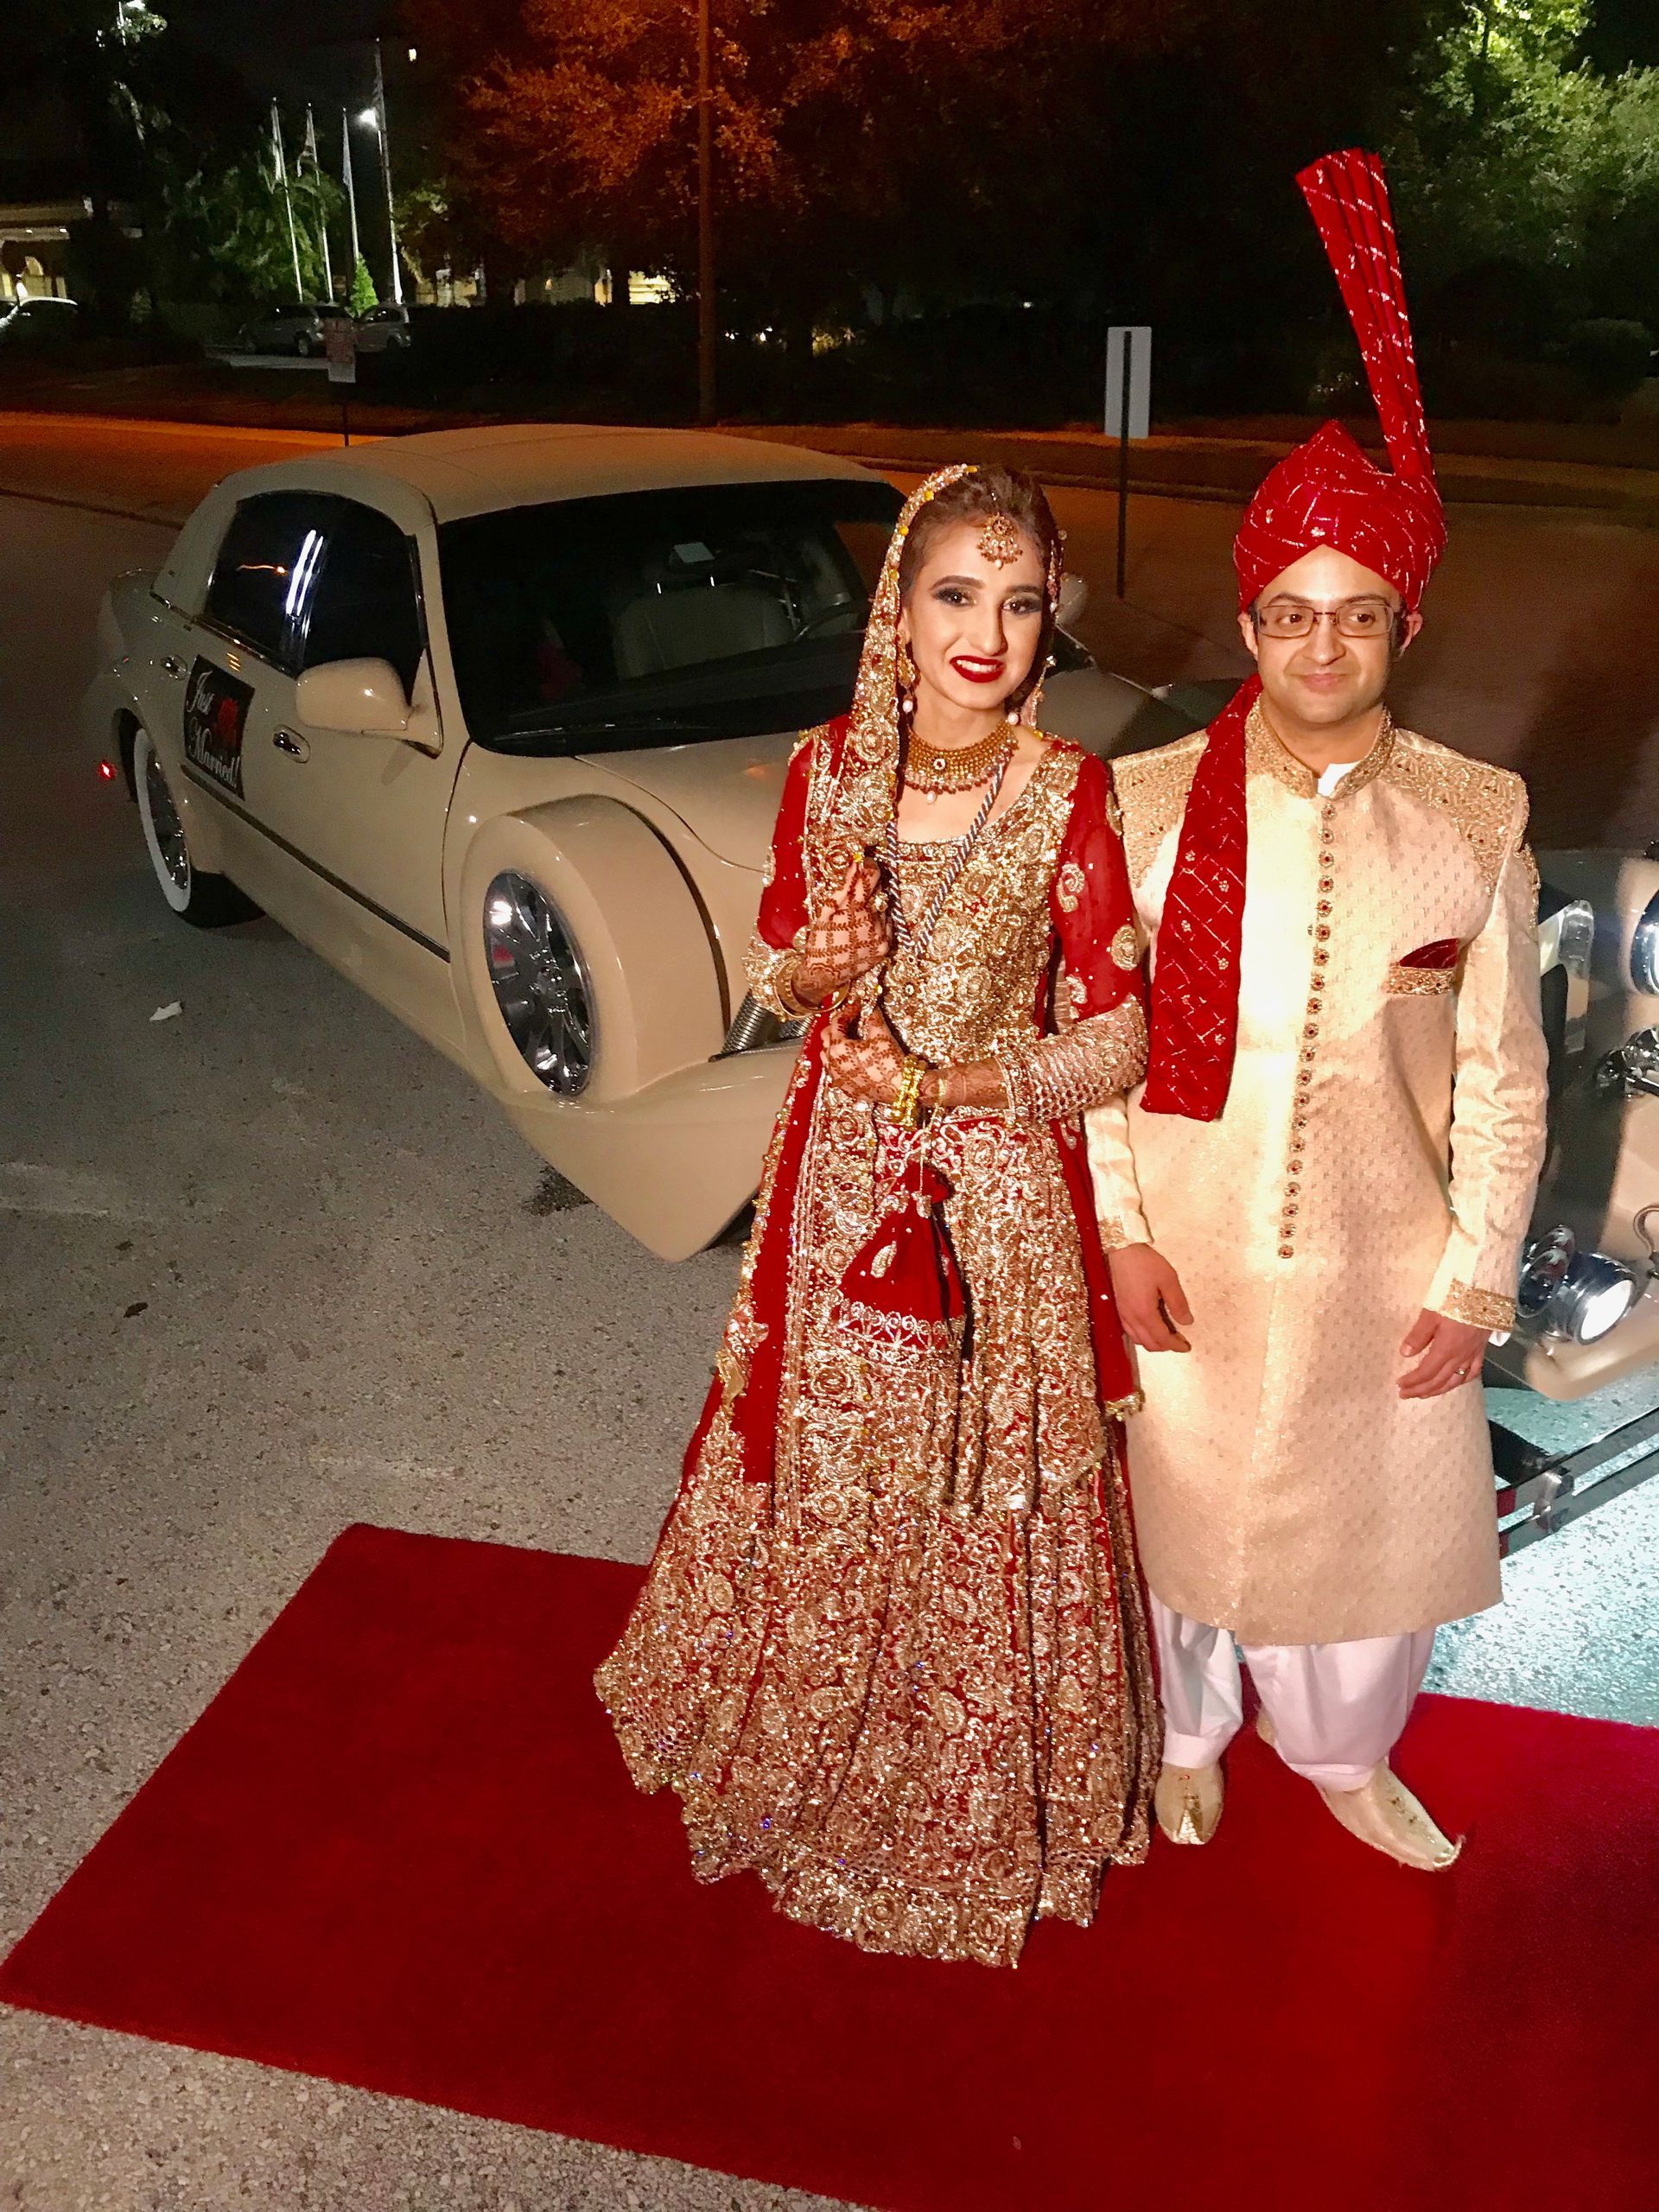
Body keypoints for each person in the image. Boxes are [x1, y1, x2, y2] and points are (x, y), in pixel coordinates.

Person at [597, 463, 1160, 1965]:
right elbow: (780, 967)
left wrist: (967, 1082)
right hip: (842, 1179)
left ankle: (970, 1794)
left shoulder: (1065, 789)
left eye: (1021, 599)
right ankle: (815, 1757)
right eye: (956, 594)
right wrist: (817, 975)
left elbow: (1120, 1035)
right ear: (897, 607)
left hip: (992, 1192)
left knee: (985, 1486)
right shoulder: (824, 773)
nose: (987, 630)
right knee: (837, 1456)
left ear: (1050, 624)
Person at [1087, 149, 1548, 1870]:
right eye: (1294, 614)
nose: (1324, 645)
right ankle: (1192, 1733)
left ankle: (1345, 1754)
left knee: (1373, 1541)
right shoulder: (1140, 810)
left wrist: (1476, 1268)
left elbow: (1505, 1074)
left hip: (1382, 1256)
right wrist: (1121, 1230)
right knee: (1192, 1513)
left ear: (1404, 622)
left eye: (1360, 615)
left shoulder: (1475, 816)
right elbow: (1104, 1055)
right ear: (1250, 619)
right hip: (1190, 1240)